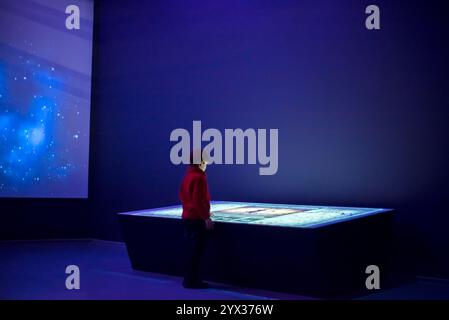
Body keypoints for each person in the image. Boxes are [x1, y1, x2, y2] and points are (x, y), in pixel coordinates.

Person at [179, 150, 213, 289]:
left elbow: (183, 196)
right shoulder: (199, 177)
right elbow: (198, 200)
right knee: (196, 252)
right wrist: (206, 217)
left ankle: (189, 279)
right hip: (196, 219)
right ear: (201, 162)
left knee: (191, 251)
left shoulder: (187, 176)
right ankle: (192, 281)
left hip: (187, 217)